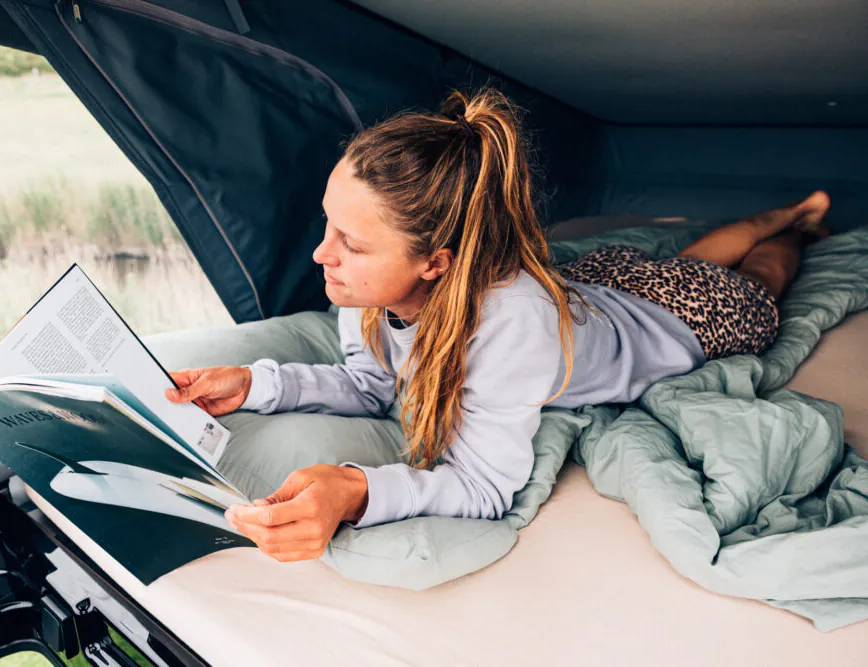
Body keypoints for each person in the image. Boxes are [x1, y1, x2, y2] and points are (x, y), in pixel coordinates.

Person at [165, 87, 831, 563]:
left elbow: (484, 486)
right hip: (600, 290)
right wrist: (253, 383)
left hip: (672, 322)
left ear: (436, 262)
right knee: (682, 260)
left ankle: (795, 224)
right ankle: (786, 214)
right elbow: (371, 384)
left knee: (752, 280)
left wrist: (362, 489)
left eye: (353, 242)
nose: (322, 254)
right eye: (327, 223)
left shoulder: (512, 324)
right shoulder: (367, 289)